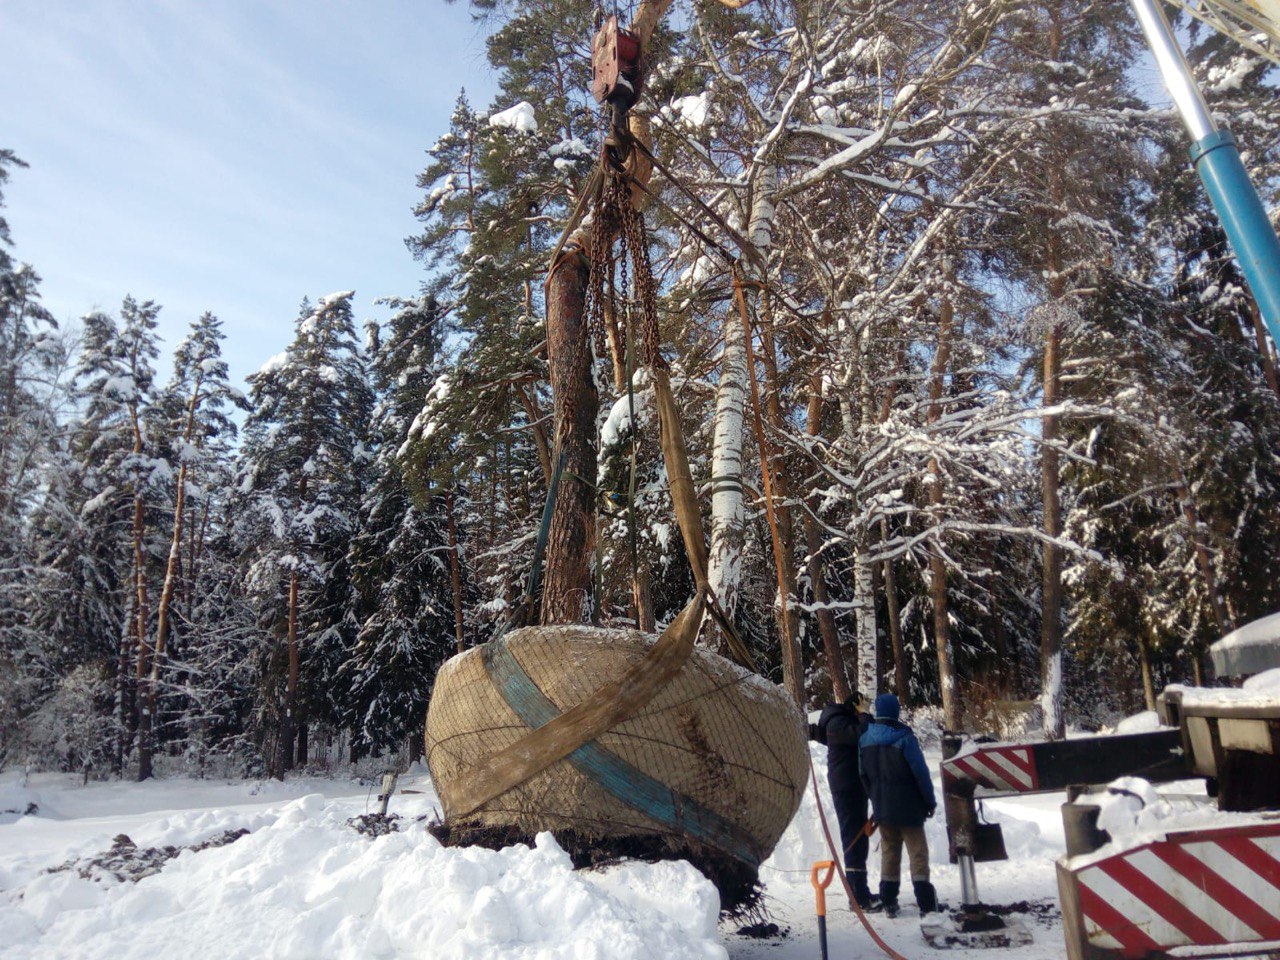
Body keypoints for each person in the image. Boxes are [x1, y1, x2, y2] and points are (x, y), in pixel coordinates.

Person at [859, 693, 938, 917]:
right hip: (910, 808)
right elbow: (920, 773)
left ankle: (889, 901)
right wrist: (929, 801)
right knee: (918, 854)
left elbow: (863, 775)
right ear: (895, 711)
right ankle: (926, 904)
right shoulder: (905, 738)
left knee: (890, 852)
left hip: (883, 808)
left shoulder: (864, 739)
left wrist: (876, 798)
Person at [810, 692, 878, 909]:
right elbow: (865, 734)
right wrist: (865, 715)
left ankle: (860, 892)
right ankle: (857, 897)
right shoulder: (838, 723)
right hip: (847, 787)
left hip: (853, 785)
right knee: (853, 840)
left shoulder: (840, 721)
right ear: (855, 707)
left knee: (859, 839)